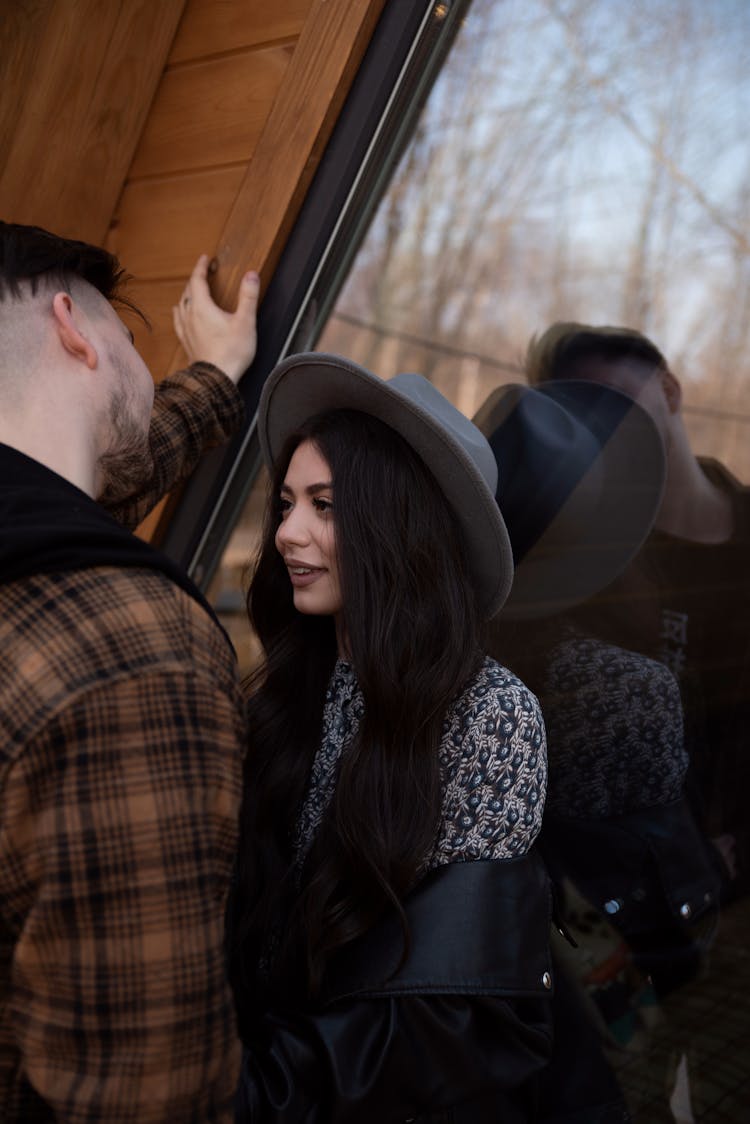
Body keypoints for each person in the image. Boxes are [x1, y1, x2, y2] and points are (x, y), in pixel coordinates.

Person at [226, 352, 554, 1123]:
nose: (286, 532)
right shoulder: (292, 688)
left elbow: (446, 1010)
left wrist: (251, 1093)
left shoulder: (491, 714)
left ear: (394, 521)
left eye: (325, 505)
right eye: (285, 504)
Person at [0, 220, 259, 1123]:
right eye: (133, 338)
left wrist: (218, 378)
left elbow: (90, 484)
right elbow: (149, 1095)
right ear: (75, 329)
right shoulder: (127, 658)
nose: (146, 373)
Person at [522, 323, 750, 896]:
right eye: (579, 415)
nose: (603, 428)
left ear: (669, 392)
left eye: (615, 401)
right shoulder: (585, 567)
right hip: (649, 890)